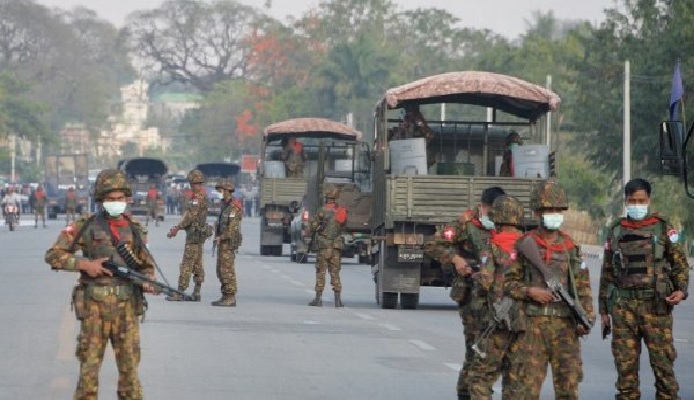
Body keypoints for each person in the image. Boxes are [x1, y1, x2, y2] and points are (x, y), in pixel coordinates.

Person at [44, 169, 155, 399]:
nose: (116, 203)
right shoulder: (85, 226)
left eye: (120, 199)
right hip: (94, 307)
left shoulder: (135, 228)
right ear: (101, 200)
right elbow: (53, 255)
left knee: (130, 375)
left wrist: (148, 281)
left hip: (126, 307)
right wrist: (85, 265)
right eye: (111, 199)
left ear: (126, 199)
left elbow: (145, 265)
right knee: (88, 373)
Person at [504, 179, 594, 399]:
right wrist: (529, 292)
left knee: (568, 390)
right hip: (531, 329)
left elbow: (582, 288)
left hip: (565, 329)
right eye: (548, 210)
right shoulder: (524, 244)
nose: (554, 214)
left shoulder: (570, 247)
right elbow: (507, 284)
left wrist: (587, 319)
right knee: (524, 391)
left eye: (557, 210)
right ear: (537, 213)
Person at [599, 178, 688, 400]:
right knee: (626, 376)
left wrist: (681, 290)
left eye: (641, 200)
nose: (637, 205)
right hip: (624, 310)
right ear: (626, 201)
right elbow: (607, 271)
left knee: (664, 371)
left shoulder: (663, 227)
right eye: (632, 200)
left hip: (656, 309)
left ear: (649, 199)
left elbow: (680, 264)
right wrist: (603, 311)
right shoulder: (616, 230)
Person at [424, 186, 505, 400]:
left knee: (494, 350)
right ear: (482, 206)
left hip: (499, 295)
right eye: (490, 211)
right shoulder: (465, 224)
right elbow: (432, 244)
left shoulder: (506, 226)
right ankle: (465, 394)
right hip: (472, 295)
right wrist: (455, 259)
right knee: (475, 348)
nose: (493, 217)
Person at [467, 195, 526, 399]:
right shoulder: (531, 244)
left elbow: (485, 282)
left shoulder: (492, 245)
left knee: (481, 377)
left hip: (495, 320)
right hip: (524, 321)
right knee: (515, 379)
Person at [166, 169, 211, 302]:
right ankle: (196, 291)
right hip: (199, 235)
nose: (192, 186)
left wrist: (177, 228)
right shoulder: (202, 196)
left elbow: (190, 216)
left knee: (187, 263)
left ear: (196, 183)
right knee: (197, 264)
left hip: (193, 235)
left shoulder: (197, 199)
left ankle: (180, 291)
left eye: (193, 184)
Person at [308, 184, 348, 307]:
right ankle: (337, 300)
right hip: (336, 247)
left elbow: (313, 227)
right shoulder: (341, 211)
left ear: (327, 196)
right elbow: (343, 225)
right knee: (335, 272)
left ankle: (318, 299)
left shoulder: (322, 211)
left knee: (321, 272)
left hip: (324, 246)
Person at [211, 178, 243, 306]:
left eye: (220, 190)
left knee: (227, 270)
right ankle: (225, 295)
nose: (219, 192)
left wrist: (221, 237)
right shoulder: (225, 205)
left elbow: (232, 229)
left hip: (228, 243)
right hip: (222, 243)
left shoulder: (234, 207)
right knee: (220, 270)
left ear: (227, 191)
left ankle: (230, 296)